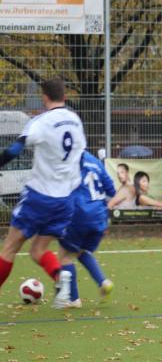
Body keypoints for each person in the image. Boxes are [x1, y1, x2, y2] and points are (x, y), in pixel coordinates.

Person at [0, 78, 86, 290]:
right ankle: (60, 277)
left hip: (39, 196)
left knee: (9, 248)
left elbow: (14, 151)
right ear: (64, 97)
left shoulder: (40, 122)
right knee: (38, 250)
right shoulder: (75, 120)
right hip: (65, 200)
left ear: (44, 97)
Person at [53, 151, 116, 309]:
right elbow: (111, 190)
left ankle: (73, 299)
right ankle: (103, 282)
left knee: (64, 255)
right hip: (99, 216)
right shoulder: (94, 161)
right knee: (82, 252)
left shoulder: (68, 160)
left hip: (80, 214)